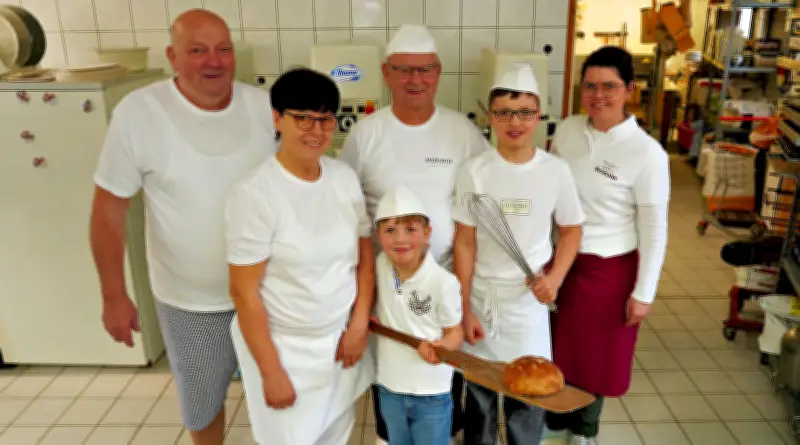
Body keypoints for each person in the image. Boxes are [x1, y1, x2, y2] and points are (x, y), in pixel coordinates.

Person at [89, 9, 276, 445]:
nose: (213, 61)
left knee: (278, 394)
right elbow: (108, 210)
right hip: (190, 301)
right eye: (198, 50)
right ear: (174, 57)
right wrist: (114, 295)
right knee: (203, 403)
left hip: (269, 293)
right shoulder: (139, 112)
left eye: (223, 49)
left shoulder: (264, 107)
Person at [339, 23, 491, 444]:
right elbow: (346, 207)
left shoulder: (461, 132)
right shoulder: (366, 134)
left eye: (424, 69)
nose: (414, 80)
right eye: (404, 70)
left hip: (445, 276)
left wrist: (467, 297)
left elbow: (478, 212)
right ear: (386, 73)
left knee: (442, 372)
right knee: (391, 370)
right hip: (385, 283)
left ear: (438, 72)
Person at [224, 68, 375, 445]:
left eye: (325, 120)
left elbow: (364, 260)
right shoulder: (255, 194)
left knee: (335, 435)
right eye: (303, 118)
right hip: (284, 348)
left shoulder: (342, 178)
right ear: (277, 118)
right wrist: (270, 372)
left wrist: (357, 327)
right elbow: (244, 293)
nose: (316, 130)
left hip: (338, 344)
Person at [452, 64, 585, 445]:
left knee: (531, 392)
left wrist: (555, 278)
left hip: (528, 301)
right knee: (479, 391)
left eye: (525, 112)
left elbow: (572, 230)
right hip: (482, 296)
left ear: (538, 116)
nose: (515, 122)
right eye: (505, 112)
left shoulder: (555, 171)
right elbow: (465, 241)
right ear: (490, 116)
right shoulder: (474, 171)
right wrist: (464, 307)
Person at [546, 46, 670, 445]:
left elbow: (654, 227)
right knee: (555, 349)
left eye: (610, 87)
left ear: (630, 90)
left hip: (607, 268)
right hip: (559, 260)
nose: (598, 95)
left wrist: (644, 292)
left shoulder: (647, 153)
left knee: (595, 358)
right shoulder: (567, 130)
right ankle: (553, 423)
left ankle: (584, 431)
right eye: (590, 86)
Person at [372, 185, 464, 445]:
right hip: (389, 387)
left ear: (427, 233)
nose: (400, 240)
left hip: (431, 394)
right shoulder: (380, 264)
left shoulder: (443, 282)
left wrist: (444, 347)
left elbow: (455, 331)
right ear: (379, 235)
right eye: (390, 230)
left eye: (410, 230)